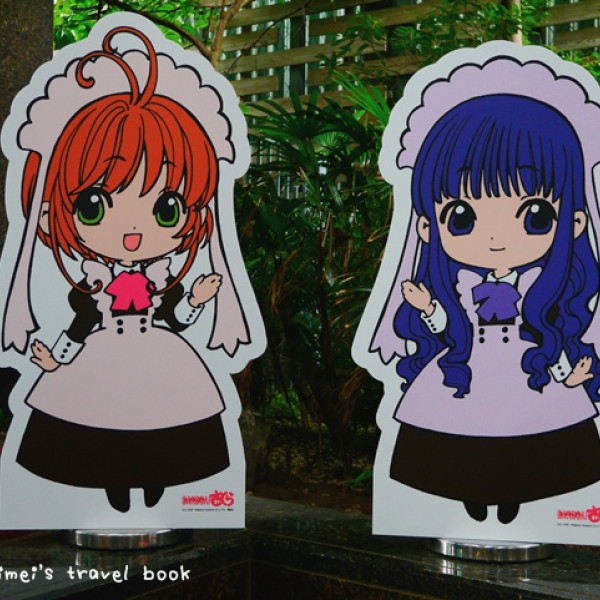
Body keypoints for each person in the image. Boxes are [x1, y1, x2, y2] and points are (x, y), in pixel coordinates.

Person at [1, 25, 249, 513]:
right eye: (94, 206)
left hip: (160, 353)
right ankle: (114, 481)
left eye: (166, 209)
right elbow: (78, 328)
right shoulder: (89, 287)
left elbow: (175, 319)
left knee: (159, 412)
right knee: (104, 413)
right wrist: (54, 360)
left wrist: (196, 299)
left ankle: (157, 479)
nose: (133, 232)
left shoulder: (161, 280)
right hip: (100, 356)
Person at [371, 59, 600, 524]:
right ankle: (469, 493)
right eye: (462, 217)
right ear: (427, 226)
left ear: (574, 221)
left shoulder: (542, 287)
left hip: (527, 375)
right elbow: (447, 326)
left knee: (529, 432)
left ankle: (516, 495)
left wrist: (569, 376)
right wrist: (428, 307)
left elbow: (550, 333)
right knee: (460, 428)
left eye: (535, 216)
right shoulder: (459, 285)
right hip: (465, 372)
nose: (495, 239)